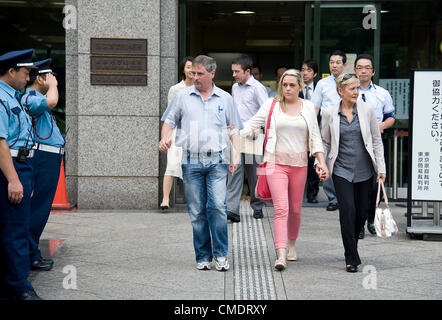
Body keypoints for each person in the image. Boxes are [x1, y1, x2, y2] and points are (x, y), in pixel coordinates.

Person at [159, 55, 242, 271]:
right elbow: (168, 121)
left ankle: (221, 254)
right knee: (197, 212)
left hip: (217, 160)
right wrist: (164, 137)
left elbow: (234, 129)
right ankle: (203, 256)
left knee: (218, 208)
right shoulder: (182, 97)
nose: (194, 77)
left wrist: (237, 155)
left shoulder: (225, 99)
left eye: (199, 74)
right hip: (190, 160)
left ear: (212, 74)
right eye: (193, 73)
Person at [241, 69, 328, 271]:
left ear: (299, 87)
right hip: (275, 163)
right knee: (281, 209)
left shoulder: (307, 107)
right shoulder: (271, 105)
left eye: (292, 85)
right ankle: (280, 254)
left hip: (299, 165)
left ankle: (291, 245)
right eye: (284, 85)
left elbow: (315, 137)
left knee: (296, 209)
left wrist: (321, 161)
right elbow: (250, 124)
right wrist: (228, 134)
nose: (287, 88)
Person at [319, 72, 386, 273]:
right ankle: (351, 256)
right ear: (341, 91)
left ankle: (352, 247)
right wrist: (320, 162)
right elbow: (324, 141)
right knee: (347, 210)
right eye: (352, 89)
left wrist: (381, 168)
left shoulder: (367, 110)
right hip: (341, 170)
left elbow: (376, 140)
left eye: (357, 88)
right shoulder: (329, 113)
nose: (356, 92)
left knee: (361, 214)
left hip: (365, 170)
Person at [0, 49, 42, 300]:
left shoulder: (13, 96)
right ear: (12, 71)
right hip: (11, 168)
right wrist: (14, 179)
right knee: (14, 229)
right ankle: (19, 286)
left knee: (17, 225)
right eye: (26, 73)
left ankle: (12, 282)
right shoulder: (2, 98)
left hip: (21, 166)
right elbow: (1, 142)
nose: (28, 79)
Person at [21, 58, 63, 272]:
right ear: (40, 78)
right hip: (42, 157)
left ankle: (30, 252)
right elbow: (52, 102)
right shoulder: (30, 97)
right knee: (37, 209)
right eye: (49, 76)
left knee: (41, 208)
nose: (53, 79)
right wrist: (53, 86)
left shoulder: (35, 96)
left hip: (49, 157)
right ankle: (30, 255)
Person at [354, 53, 395, 239]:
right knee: (357, 185)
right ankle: (358, 223)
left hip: (376, 142)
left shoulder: (382, 93)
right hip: (355, 142)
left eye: (367, 68)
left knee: (373, 185)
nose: (363, 70)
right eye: (360, 67)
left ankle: (371, 220)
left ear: (373, 71)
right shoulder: (349, 92)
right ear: (354, 70)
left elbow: (391, 117)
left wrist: (382, 126)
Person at [227, 55, 268, 223]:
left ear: (248, 71)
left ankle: (257, 206)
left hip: (253, 137)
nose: (234, 75)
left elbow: (266, 110)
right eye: (233, 71)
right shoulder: (234, 88)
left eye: (237, 71)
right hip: (237, 135)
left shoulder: (258, 88)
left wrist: (258, 128)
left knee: (254, 174)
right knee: (234, 172)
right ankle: (232, 210)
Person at [311, 50, 347, 212]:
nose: (334, 65)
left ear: (344, 65)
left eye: (338, 62)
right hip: (326, 128)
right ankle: (333, 198)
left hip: (347, 127)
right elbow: (315, 108)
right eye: (332, 62)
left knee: (345, 161)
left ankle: (346, 196)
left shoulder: (352, 82)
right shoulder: (322, 84)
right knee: (325, 161)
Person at [160, 56, 194, 210]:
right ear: (183, 70)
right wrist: (166, 137)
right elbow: (170, 115)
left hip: (195, 132)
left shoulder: (200, 88)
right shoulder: (175, 89)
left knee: (193, 166)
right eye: (188, 67)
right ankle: (165, 199)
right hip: (177, 131)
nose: (191, 70)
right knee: (172, 164)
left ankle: (193, 200)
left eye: (193, 67)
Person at [300, 59, 320, 204]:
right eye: (303, 69)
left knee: (313, 162)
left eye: (308, 70)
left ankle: (312, 194)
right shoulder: (295, 88)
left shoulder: (320, 90)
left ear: (315, 74)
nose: (305, 73)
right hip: (299, 131)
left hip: (315, 131)